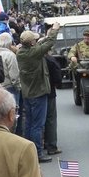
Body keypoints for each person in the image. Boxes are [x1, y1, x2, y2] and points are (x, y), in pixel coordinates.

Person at [16, 28, 60, 162]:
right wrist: (54, 30)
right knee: (38, 125)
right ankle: (38, 153)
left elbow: (40, 45)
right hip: (38, 93)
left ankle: (29, 151)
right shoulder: (34, 53)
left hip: (28, 93)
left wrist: (42, 39)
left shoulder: (21, 53)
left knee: (29, 123)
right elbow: (49, 43)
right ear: (31, 43)